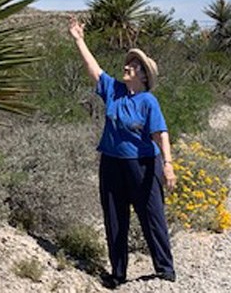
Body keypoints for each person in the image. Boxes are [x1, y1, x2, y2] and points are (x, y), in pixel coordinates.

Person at [68, 16, 177, 289]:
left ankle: (165, 271)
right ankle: (118, 274)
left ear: (144, 75)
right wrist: (79, 39)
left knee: (152, 216)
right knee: (115, 218)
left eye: (134, 65)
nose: (128, 66)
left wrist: (168, 165)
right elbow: (94, 70)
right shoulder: (114, 91)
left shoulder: (147, 101)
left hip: (142, 165)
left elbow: (160, 133)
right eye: (129, 63)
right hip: (112, 164)